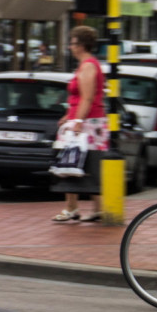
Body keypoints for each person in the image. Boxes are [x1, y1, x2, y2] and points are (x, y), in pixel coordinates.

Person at [52, 26, 107, 223]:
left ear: (81, 45)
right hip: (83, 120)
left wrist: (77, 121)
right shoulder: (84, 65)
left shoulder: (89, 66)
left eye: (72, 43)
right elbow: (77, 98)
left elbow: (87, 98)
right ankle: (74, 207)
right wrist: (69, 114)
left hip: (89, 123)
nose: (69, 46)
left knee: (85, 163)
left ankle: (84, 208)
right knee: (73, 163)